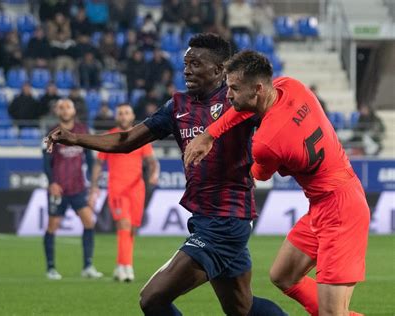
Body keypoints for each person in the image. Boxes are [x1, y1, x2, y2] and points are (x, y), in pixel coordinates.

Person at [46, 33, 286, 316]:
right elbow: (126, 141)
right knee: (243, 309)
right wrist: (75, 139)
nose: (187, 70)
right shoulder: (178, 106)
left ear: (219, 70)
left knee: (152, 298)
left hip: (227, 219)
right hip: (204, 218)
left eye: (196, 64)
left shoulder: (237, 100)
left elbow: (280, 116)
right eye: (185, 64)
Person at [183, 50, 369, 316]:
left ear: (257, 89)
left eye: (234, 88)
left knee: (332, 313)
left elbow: (257, 174)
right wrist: (210, 133)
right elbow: (244, 110)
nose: (228, 94)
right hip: (327, 200)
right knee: (283, 275)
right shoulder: (291, 86)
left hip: (341, 210)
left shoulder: (267, 142)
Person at [89, 103, 159, 282]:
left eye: (126, 113)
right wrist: (94, 187)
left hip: (137, 189)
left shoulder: (139, 137)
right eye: (120, 113)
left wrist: (154, 173)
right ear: (117, 116)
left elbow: (152, 161)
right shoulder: (110, 137)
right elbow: (98, 164)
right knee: (124, 225)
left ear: (132, 115)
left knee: (133, 229)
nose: (123, 116)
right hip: (117, 189)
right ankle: (125, 267)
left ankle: (123, 265)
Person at [42, 98, 103, 280]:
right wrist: (52, 182)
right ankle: (51, 268)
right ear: (57, 111)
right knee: (52, 226)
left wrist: (93, 185)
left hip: (78, 187)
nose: (65, 110)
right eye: (61, 107)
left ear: (74, 111)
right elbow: (45, 161)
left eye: (68, 106)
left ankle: (88, 266)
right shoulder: (50, 133)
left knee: (89, 222)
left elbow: (91, 160)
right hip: (58, 189)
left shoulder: (83, 131)